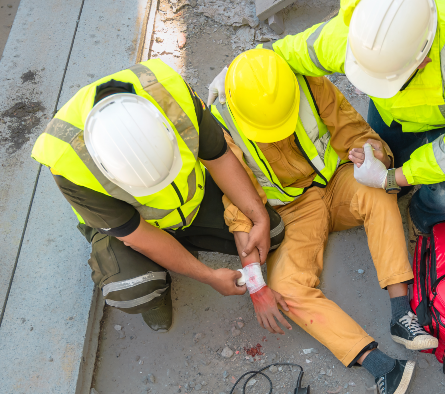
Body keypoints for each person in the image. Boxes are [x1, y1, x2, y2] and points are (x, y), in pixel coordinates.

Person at [208, 48, 437, 394]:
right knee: (284, 288)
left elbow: (358, 132)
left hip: (338, 181)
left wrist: (370, 155)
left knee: (380, 193)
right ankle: (384, 367)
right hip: (294, 210)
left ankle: (402, 315)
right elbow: (237, 209)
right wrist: (255, 283)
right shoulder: (221, 127)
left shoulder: (306, 81)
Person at [269, 0, 445, 247]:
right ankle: (396, 184)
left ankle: (421, 217)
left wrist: (392, 180)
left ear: (423, 62)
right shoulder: (357, 34)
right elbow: (292, 53)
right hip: (393, 113)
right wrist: (245, 67)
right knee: (384, 153)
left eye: (385, 81)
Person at [30, 59, 284, 332]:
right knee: (132, 289)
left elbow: (219, 157)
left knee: (272, 232)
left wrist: (257, 218)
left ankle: (180, 246)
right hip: (131, 228)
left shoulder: (169, 92)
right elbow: (140, 236)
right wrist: (208, 276)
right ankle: (155, 290)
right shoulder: (67, 162)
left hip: (191, 199)